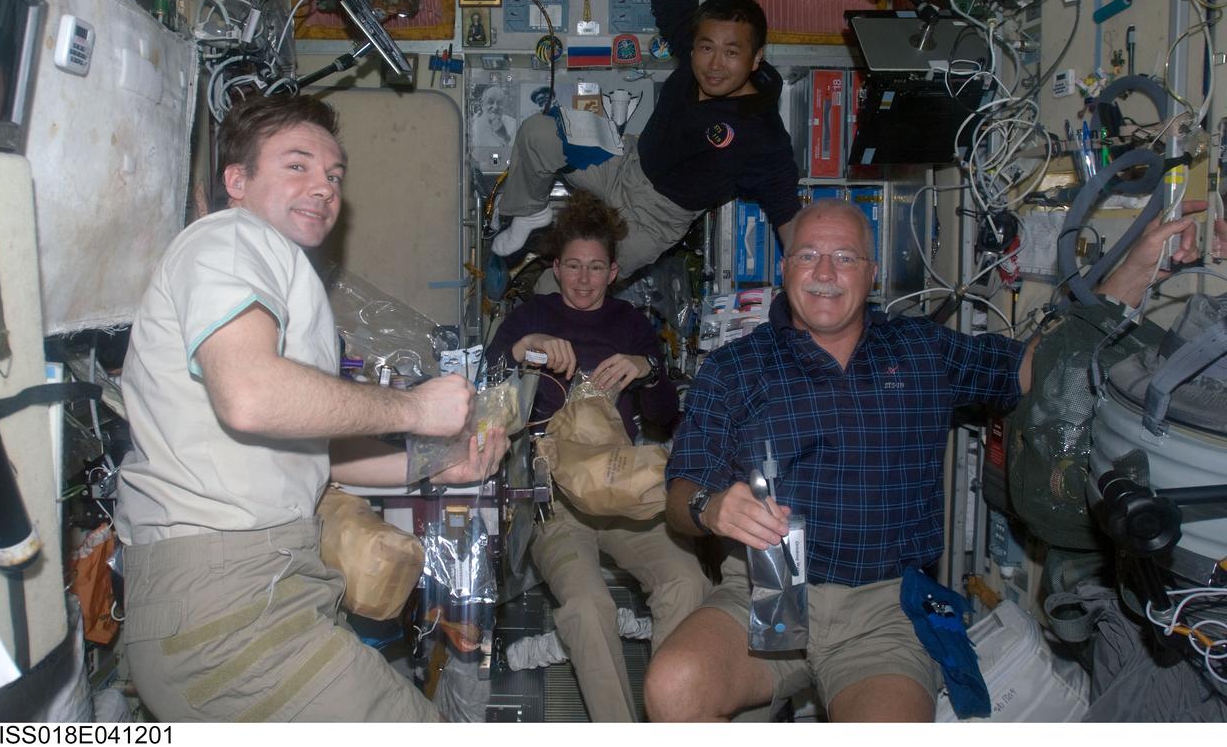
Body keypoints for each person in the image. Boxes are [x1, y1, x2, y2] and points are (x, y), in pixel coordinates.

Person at [644, 197, 1207, 723]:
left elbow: (1035, 368)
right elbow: (679, 494)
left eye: (845, 258)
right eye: (808, 255)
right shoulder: (735, 368)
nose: (825, 272)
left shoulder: (921, 349)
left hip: (883, 611)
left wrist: (1134, 271)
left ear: (871, 274)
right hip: (769, 590)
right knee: (673, 688)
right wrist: (711, 507)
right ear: (786, 268)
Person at [115, 94, 508, 722]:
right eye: (297, 166)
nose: (324, 187)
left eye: (334, 175)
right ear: (236, 181)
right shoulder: (232, 238)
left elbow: (314, 455)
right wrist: (413, 409)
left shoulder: (270, 268)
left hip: (257, 582)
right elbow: (251, 396)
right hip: (229, 596)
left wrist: (435, 464)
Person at [485, 192, 710, 721]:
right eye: (572, 266)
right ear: (555, 268)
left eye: (595, 268)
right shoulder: (531, 317)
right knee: (588, 608)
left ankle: (673, 717)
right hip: (556, 502)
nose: (583, 280)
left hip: (621, 490)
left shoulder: (630, 324)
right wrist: (522, 348)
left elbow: (664, 415)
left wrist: (648, 369)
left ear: (612, 273)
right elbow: (484, 392)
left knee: (688, 582)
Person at [490, 0, 800, 278]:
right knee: (539, 133)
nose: (715, 64)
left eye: (732, 52)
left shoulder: (763, 135)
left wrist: (807, 268)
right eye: (707, 48)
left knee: (573, 286)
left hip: (657, 219)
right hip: (624, 162)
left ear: (756, 59)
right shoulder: (694, 55)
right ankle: (529, 213)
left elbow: (787, 211)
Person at [471, 84, 519, 149]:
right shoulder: (474, 126)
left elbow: (515, 151)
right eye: (490, 102)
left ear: (504, 105)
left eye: (499, 103)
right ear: (482, 104)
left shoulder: (513, 124)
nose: (495, 107)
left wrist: (505, 137)